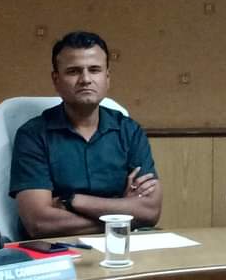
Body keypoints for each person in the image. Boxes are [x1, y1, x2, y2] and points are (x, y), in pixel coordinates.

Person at [9, 31, 162, 238]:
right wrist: (123, 213)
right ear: (56, 80)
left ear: (107, 78)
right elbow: (39, 222)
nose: (86, 79)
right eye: (73, 71)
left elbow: (150, 212)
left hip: (120, 245)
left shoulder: (129, 131)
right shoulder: (33, 135)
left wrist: (71, 201)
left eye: (95, 70)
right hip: (56, 248)